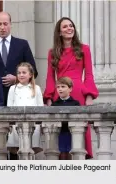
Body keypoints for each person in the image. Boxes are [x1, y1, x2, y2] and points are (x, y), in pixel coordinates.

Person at [0, 12, 38, 160]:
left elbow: (34, 71)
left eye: (5, 24)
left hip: (18, 98)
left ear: (11, 24)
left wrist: (17, 79)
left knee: (16, 142)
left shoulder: (22, 44)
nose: (2, 27)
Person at [43, 17, 99, 159]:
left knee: (79, 130)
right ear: (59, 32)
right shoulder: (52, 52)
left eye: (71, 26)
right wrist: (49, 98)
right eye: (65, 27)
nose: (69, 28)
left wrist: (89, 96)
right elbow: (50, 77)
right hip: (59, 94)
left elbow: (89, 75)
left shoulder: (84, 49)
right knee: (61, 133)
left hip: (78, 93)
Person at [6, 62, 43, 159]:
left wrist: (41, 125)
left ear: (30, 74)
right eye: (19, 73)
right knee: (15, 149)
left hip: (33, 125)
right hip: (16, 125)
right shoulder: (12, 89)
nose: (21, 75)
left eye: (24, 72)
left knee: (30, 150)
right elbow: (9, 107)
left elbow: (40, 107)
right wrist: (9, 123)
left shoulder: (37, 88)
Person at [52, 77, 80, 160]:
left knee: (71, 154)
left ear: (70, 88)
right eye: (58, 87)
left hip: (72, 133)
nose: (60, 89)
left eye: (63, 86)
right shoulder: (54, 104)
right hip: (59, 133)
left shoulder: (75, 103)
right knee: (61, 154)